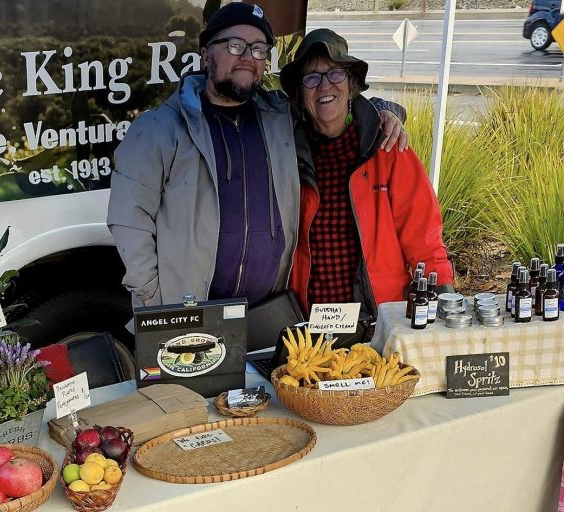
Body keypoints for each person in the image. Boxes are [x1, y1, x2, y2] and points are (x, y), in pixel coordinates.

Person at [107, 3, 407, 310]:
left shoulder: (280, 118)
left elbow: (329, 102)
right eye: (235, 45)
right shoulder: (158, 128)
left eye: (260, 49)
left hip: (268, 312)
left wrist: (386, 111)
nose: (248, 58)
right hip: (188, 312)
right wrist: (152, 296)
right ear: (206, 54)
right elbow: (129, 218)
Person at [279, 28, 454, 343]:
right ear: (300, 96)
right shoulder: (287, 155)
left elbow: (424, 242)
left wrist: (442, 303)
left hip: (381, 323)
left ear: (351, 83)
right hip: (311, 327)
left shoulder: (388, 149)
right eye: (311, 78)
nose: (324, 86)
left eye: (334, 74)